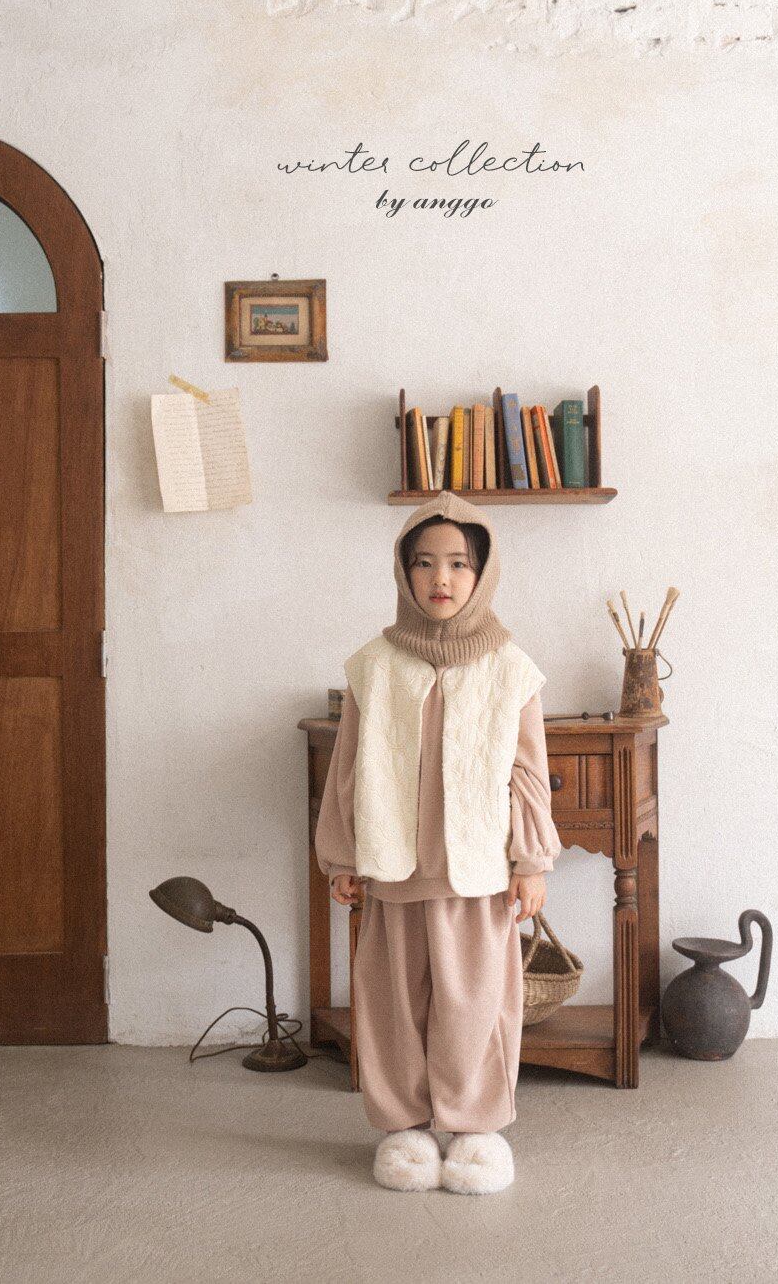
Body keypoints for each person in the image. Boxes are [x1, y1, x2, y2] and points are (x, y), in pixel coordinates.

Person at [314, 489, 562, 1194]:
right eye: (423, 563)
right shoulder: (373, 665)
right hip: (395, 871)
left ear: (482, 572)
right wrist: (341, 855)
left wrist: (530, 861)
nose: (440, 578)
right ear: (404, 571)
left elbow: (528, 773)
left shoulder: (511, 667)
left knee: (474, 1004)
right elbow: (347, 769)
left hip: (476, 871)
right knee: (393, 1005)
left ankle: (476, 1128)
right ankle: (404, 1128)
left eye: (458, 563)